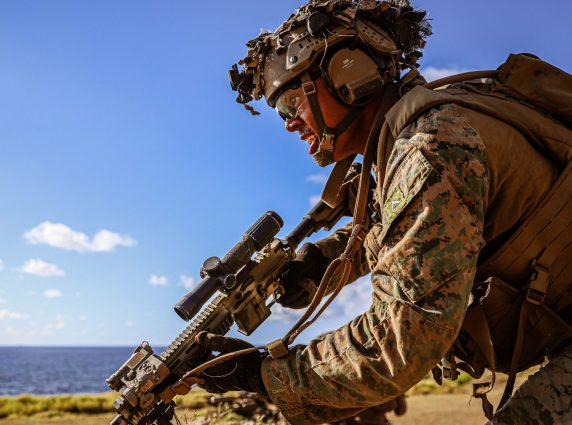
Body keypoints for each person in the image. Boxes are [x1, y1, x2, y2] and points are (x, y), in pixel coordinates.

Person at [194, 1, 572, 424]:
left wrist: (263, 375)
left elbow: (401, 341)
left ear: (347, 74)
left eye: (290, 105)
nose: (289, 124)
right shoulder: (433, 122)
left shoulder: (430, 148)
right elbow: (400, 233)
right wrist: (318, 263)